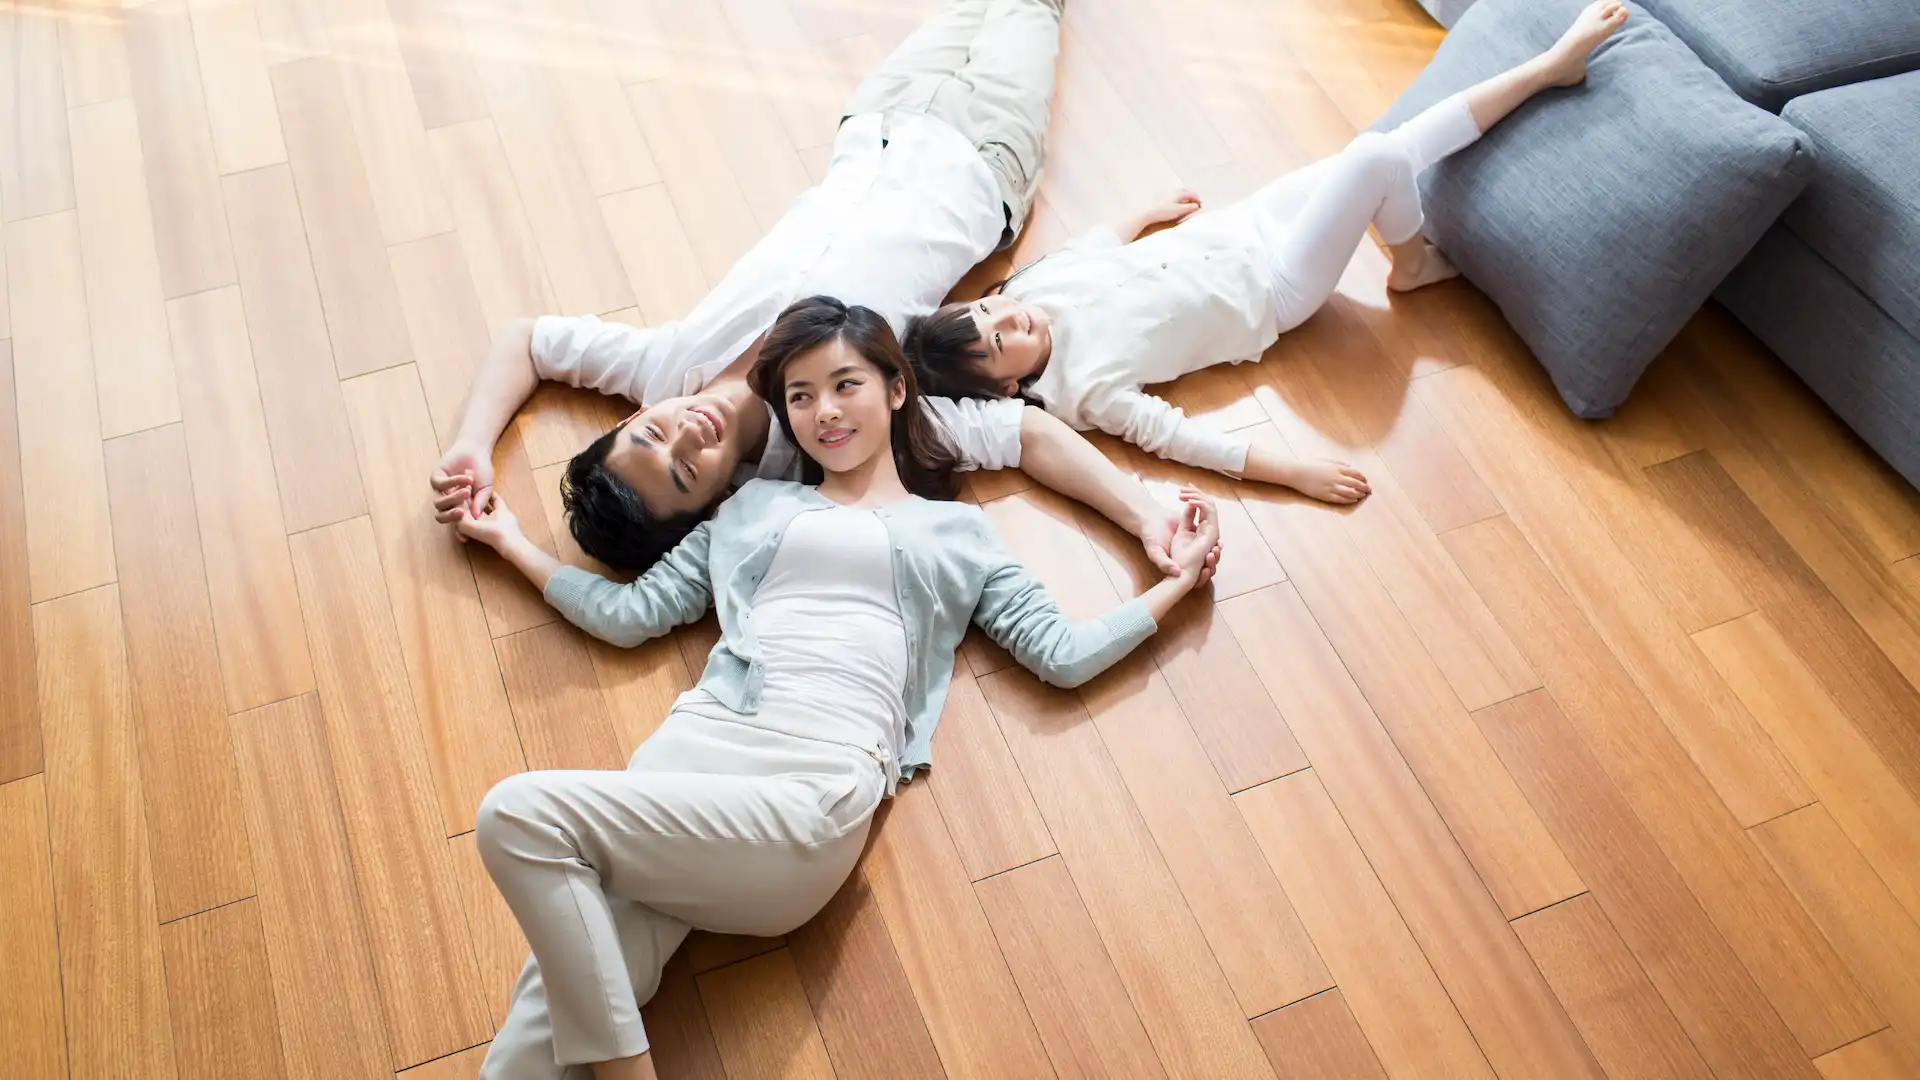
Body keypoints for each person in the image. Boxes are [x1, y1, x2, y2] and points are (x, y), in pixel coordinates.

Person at [453, 296, 1221, 1079]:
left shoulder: (956, 534)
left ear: (895, 389)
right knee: (543, 1013)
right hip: (692, 756)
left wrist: (1175, 585)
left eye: (845, 384)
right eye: (800, 396)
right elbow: (630, 613)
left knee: (516, 817)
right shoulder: (751, 506)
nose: (824, 410)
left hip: (813, 790)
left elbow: (1060, 652)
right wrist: (510, 541)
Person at [429, 0, 1203, 578]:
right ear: (714, 500)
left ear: (635, 415)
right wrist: (1147, 515)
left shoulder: (659, 368)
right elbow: (1026, 439)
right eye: (686, 469)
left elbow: (525, 340)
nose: (686, 432)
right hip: (981, 159)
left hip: (878, 121)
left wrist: (472, 444)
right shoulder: (831, 435)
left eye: (651, 433)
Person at [901, 0, 1632, 505]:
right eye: (1001, 343)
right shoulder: (1084, 393)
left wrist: (1143, 215)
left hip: (1243, 226)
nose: (1013, 319)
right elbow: (1179, 442)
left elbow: (1094, 245)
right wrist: (1293, 474)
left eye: (995, 306)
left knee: (1390, 149)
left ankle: (1546, 71)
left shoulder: (1039, 287)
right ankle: (1411, 260)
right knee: (1378, 156)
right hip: (1278, 289)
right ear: (1005, 390)